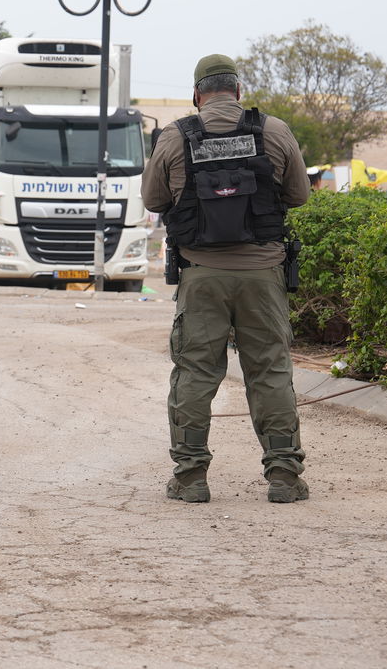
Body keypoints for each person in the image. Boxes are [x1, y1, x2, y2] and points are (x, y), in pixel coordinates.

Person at [141, 54, 312, 505]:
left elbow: (154, 199)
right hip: (263, 273)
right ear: (238, 91)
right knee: (270, 370)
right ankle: (284, 478)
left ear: (197, 95)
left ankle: (191, 477)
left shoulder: (175, 136)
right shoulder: (273, 131)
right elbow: (298, 195)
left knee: (195, 372)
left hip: (201, 276)